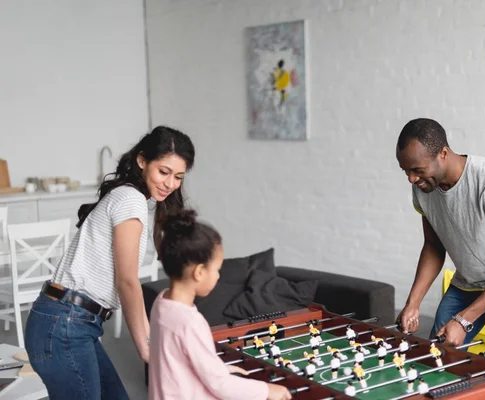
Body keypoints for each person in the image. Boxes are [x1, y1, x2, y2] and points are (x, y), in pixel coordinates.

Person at [24, 126, 196, 399]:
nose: (170, 183)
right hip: (65, 323)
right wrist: (146, 348)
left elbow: (129, 283)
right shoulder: (131, 199)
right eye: (163, 172)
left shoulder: (129, 197)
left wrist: (150, 339)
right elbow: (127, 281)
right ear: (142, 161)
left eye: (178, 177)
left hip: (73, 322)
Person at [395, 118, 485, 363]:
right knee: (438, 359)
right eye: (406, 171)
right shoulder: (424, 188)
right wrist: (413, 303)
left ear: (443, 153)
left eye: (417, 170)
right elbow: (433, 247)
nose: (411, 179)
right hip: (468, 283)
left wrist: (463, 320)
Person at [148, 208, 291, 400]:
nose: (218, 276)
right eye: (217, 270)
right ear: (199, 272)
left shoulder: (161, 302)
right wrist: (267, 390)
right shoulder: (190, 322)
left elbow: (179, 360)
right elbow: (220, 385)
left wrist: (219, 367)